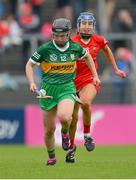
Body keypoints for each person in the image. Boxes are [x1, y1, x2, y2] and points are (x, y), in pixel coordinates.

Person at [25, 18, 100, 165]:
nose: (59, 38)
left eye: (62, 36)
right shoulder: (45, 49)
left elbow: (88, 57)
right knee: (49, 130)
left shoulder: (75, 48)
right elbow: (29, 65)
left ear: (68, 34)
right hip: (47, 91)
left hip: (67, 88)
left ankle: (65, 133)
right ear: (52, 35)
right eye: (56, 35)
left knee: (65, 117)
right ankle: (52, 156)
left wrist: (95, 75)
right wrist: (32, 82)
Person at [66, 12, 126, 163]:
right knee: (72, 119)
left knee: (86, 102)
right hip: (72, 83)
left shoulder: (98, 40)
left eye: (89, 24)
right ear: (78, 26)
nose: (86, 27)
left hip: (90, 80)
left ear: (93, 27)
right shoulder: (71, 42)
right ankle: (72, 148)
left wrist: (116, 69)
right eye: (84, 24)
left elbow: (107, 51)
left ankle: (87, 136)